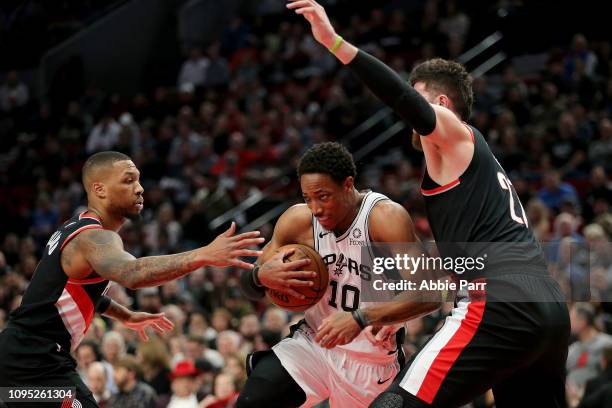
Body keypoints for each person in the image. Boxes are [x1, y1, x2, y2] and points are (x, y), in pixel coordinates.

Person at [288, 1, 570, 407]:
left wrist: (335, 44)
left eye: (417, 99)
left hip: (501, 301)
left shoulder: (456, 134)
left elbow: (401, 97)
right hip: (546, 304)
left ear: (441, 104)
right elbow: (456, 269)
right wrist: (382, 314)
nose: (409, 113)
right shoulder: (469, 175)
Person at [0, 151, 264, 407]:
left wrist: (123, 315)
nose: (139, 188)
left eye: (138, 180)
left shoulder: (76, 227)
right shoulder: (94, 237)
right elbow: (132, 273)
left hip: (18, 360)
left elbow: (65, 290)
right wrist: (204, 255)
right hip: (34, 361)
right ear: (99, 189)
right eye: (128, 180)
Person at [238, 143, 438, 407]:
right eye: (307, 198)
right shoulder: (299, 221)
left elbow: (433, 293)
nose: (315, 208)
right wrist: (260, 276)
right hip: (313, 343)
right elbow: (247, 284)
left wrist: (362, 318)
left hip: (370, 362)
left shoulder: (383, 218)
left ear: (347, 184)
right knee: (254, 400)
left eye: (323, 196)